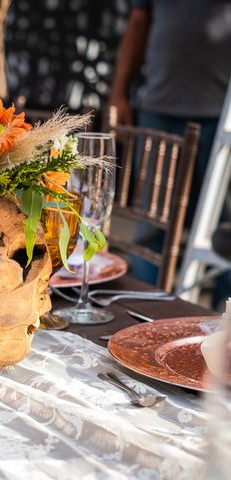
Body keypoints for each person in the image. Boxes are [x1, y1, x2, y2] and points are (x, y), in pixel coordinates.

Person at [109, 0, 231, 303]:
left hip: (224, 121)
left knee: (225, 234)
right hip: (159, 111)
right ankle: (139, 312)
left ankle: (225, 323)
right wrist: (118, 92)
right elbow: (138, 23)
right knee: (151, 223)